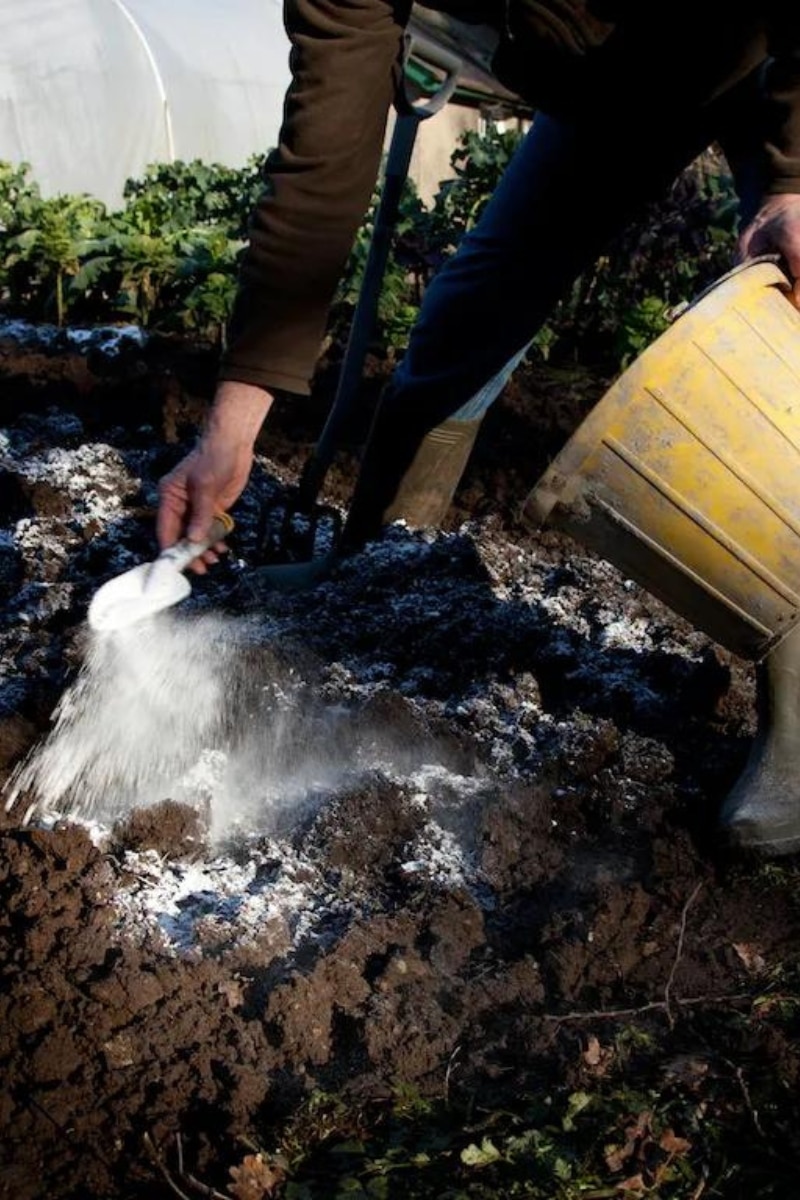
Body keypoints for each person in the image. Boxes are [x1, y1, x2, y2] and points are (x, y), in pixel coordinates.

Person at [157, 0, 800, 857]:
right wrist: (229, 430)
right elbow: (320, 159)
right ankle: (385, 566)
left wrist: (793, 175)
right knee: (474, 309)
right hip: (621, 84)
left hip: (770, 51)